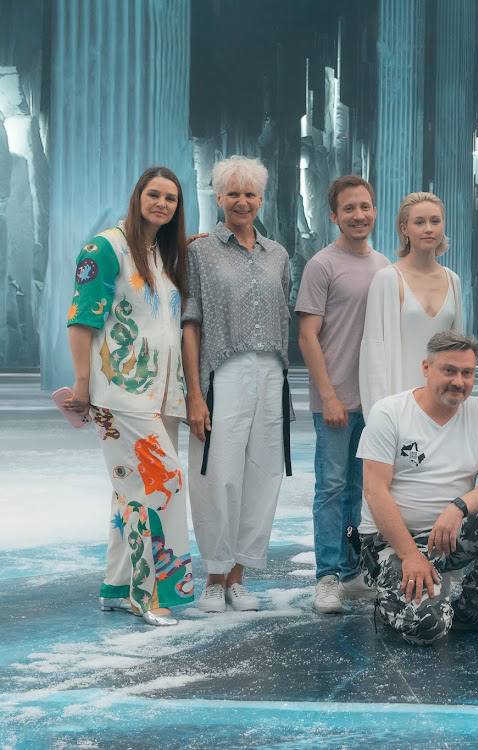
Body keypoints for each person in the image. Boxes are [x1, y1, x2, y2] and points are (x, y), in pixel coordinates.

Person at [64, 166, 193, 627]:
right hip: (118, 394)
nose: (162, 204)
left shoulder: (161, 254)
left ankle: (117, 588)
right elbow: (82, 319)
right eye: (154, 194)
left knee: (130, 491)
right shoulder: (105, 248)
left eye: (171, 199)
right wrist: (83, 384)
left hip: (158, 397)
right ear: (138, 196)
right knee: (163, 482)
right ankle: (148, 594)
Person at [356, 332, 478, 645]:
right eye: (449, 371)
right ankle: (397, 596)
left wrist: (458, 508)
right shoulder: (389, 412)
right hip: (390, 541)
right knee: (428, 626)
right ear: (426, 368)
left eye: (467, 373)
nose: (459, 381)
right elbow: (375, 491)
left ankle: (476, 605)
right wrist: (410, 555)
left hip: (448, 537)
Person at [182, 155, 292, 614]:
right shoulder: (199, 252)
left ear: (261, 199)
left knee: (263, 475)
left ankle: (239, 577)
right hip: (221, 371)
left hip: (271, 373)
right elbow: (190, 323)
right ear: (219, 197)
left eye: (250, 193)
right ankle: (213, 576)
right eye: (233, 193)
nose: (242, 201)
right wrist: (194, 393)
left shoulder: (278, 254)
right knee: (217, 473)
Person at [296, 175, 388, 614]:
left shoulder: (384, 266)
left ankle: (352, 571)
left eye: (365, 206)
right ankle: (327, 576)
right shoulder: (322, 265)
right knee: (331, 489)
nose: (358, 215)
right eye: (349, 208)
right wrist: (328, 395)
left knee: (359, 490)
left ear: (375, 211)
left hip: (374, 401)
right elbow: (307, 336)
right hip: (335, 401)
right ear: (334, 215)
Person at [358, 192, 462, 417]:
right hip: (398, 407)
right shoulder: (386, 279)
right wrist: (380, 417)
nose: (429, 229)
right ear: (404, 228)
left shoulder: (453, 280)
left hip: (443, 406)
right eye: (419, 222)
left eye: (435, 221)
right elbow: (373, 353)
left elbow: (459, 352)